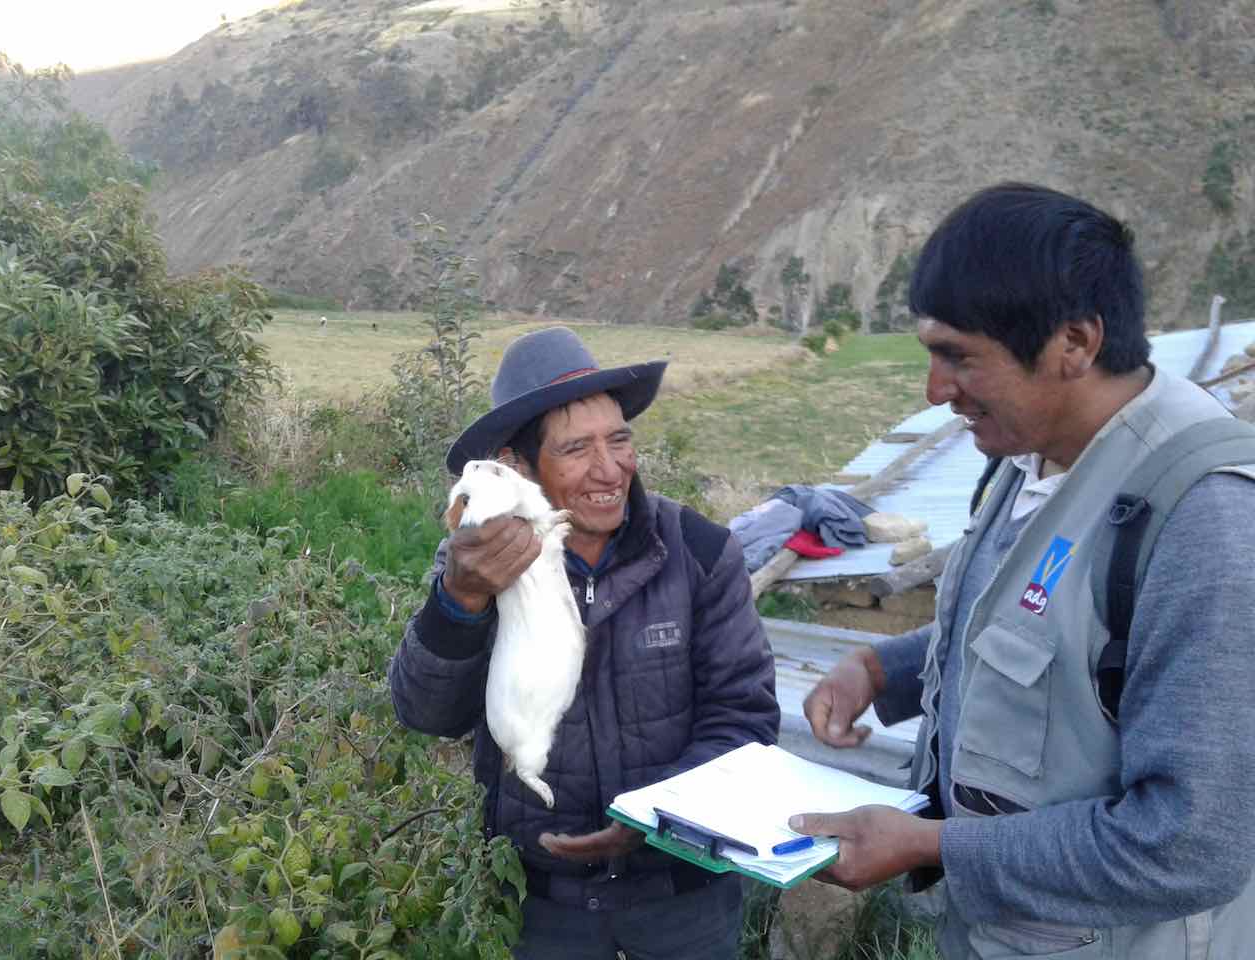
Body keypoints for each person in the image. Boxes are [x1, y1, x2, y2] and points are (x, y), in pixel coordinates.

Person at [790, 183, 1255, 958]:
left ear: (1073, 343)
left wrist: (933, 848)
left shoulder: (1204, 521)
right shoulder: (1029, 449)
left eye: (958, 358)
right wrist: (883, 668)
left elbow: (1190, 845)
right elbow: (1044, 631)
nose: (936, 393)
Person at [389, 326, 780, 959]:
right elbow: (426, 714)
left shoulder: (698, 553)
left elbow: (747, 718)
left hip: (684, 897)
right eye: (576, 449)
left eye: (619, 439)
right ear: (519, 468)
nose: (610, 469)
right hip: (542, 908)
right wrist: (459, 602)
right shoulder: (479, 561)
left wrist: (651, 822)